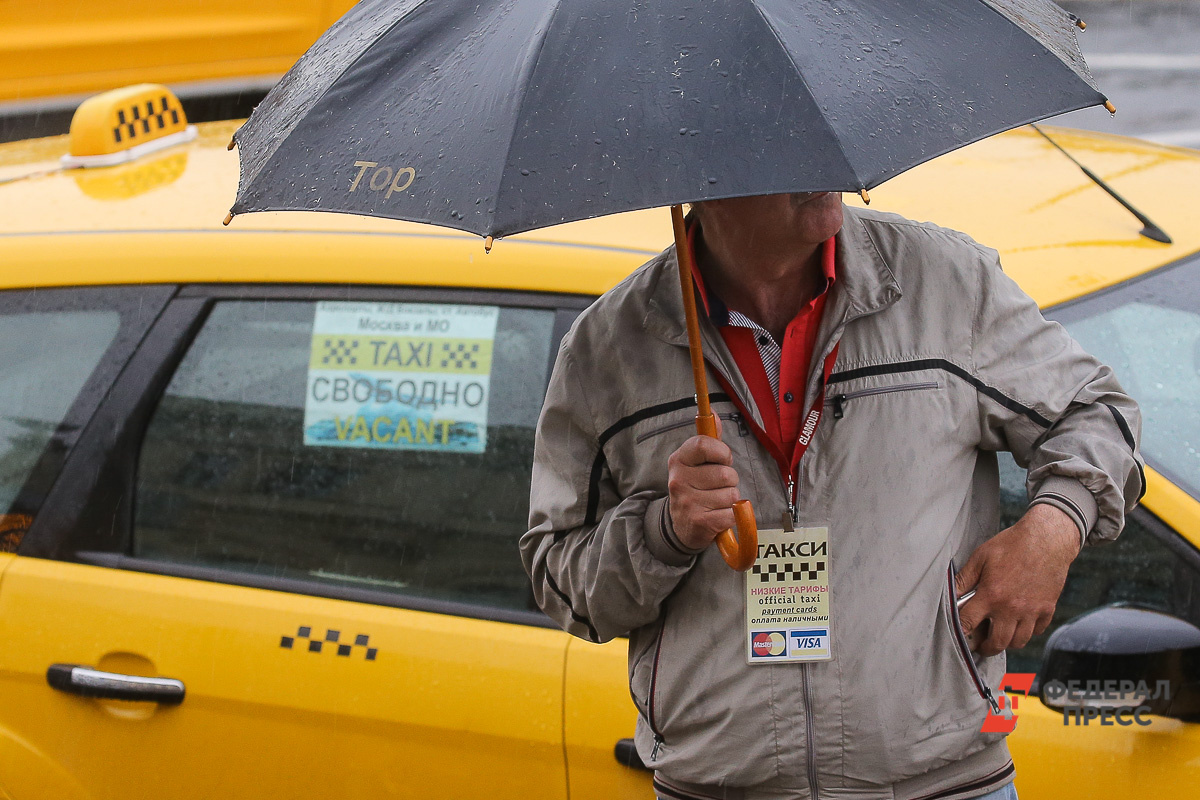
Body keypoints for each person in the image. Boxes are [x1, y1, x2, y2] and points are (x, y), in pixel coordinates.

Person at [520, 193, 1142, 800]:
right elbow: (560, 578)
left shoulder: (944, 283)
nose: (820, 171)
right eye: (778, 145)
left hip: (945, 783)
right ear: (705, 187)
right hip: (717, 786)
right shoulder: (607, 348)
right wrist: (665, 531)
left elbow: (1094, 412)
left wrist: (1052, 532)